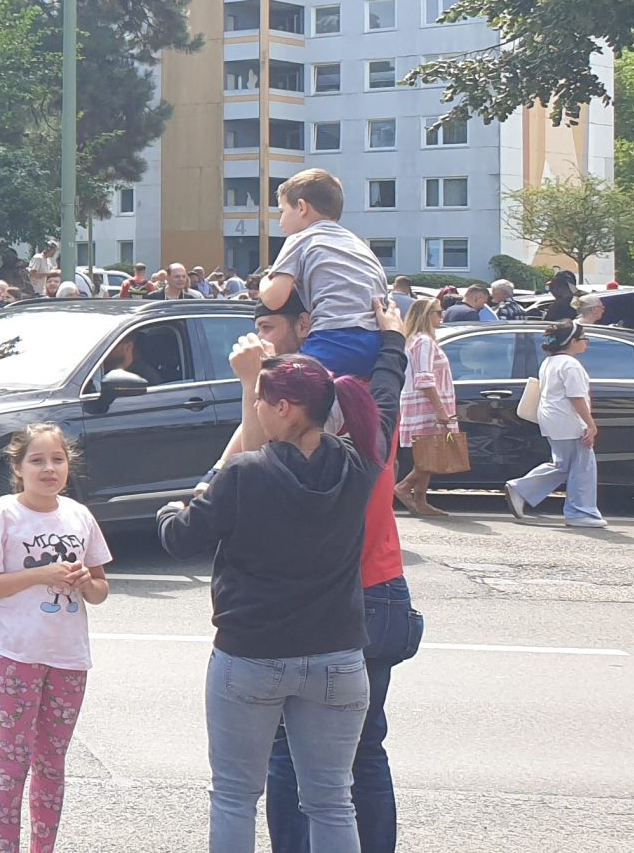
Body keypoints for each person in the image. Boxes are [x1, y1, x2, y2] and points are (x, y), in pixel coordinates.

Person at [159, 348, 387, 853]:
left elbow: (180, 537)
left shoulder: (245, 473)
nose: (257, 408)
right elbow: (386, 402)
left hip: (251, 654)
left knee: (235, 797)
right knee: (331, 801)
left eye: (261, 399)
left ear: (283, 408)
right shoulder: (360, 465)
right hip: (337, 655)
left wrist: (174, 506)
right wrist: (391, 341)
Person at [237, 297, 419, 853]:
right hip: (381, 594)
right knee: (364, 752)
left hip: (313, 608)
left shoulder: (286, 451)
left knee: (288, 751)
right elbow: (387, 387)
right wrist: (391, 341)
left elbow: (238, 474)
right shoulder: (369, 435)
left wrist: (250, 385)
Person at [0, 425, 111, 853]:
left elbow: (100, 590)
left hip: (69, 657)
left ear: (68, 466)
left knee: (52, 763)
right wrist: (39, 575)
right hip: (14, 653)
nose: (49, 469)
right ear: (18, 467)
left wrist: (85, 582)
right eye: (38, 460)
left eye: (57, 460)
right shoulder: (0, 515)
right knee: (13, 762)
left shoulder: (80, 516)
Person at [259, 170, 390, 379]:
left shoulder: (300, 239)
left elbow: (274, 299)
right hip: (375, 340)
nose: (280, 221)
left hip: (332, 337)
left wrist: (266, 280)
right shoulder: (358, 245)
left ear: (302, 207)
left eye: (282, 211)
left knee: (288, 384)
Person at [505, 321, 606, 528]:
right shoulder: (570, 364)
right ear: (573, 342)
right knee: (582, 468)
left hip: (553, 420)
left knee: (563, 465)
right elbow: (576, 397)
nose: (586, 342)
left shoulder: (550, 362)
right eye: (584, 338)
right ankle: (580, 512)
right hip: (568, 421)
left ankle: (522, 488)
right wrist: (590, 424)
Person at [391, 300, 456, 518]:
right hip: (426, 405)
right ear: (426, 315)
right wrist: (440, 410)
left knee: (429, 452)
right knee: (432, 452)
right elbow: (424, 378)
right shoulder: (424, 342)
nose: (442, 316)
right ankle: (405, 487)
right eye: (438, 312)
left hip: (422, 403)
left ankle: (420, 498)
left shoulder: (417, 341)